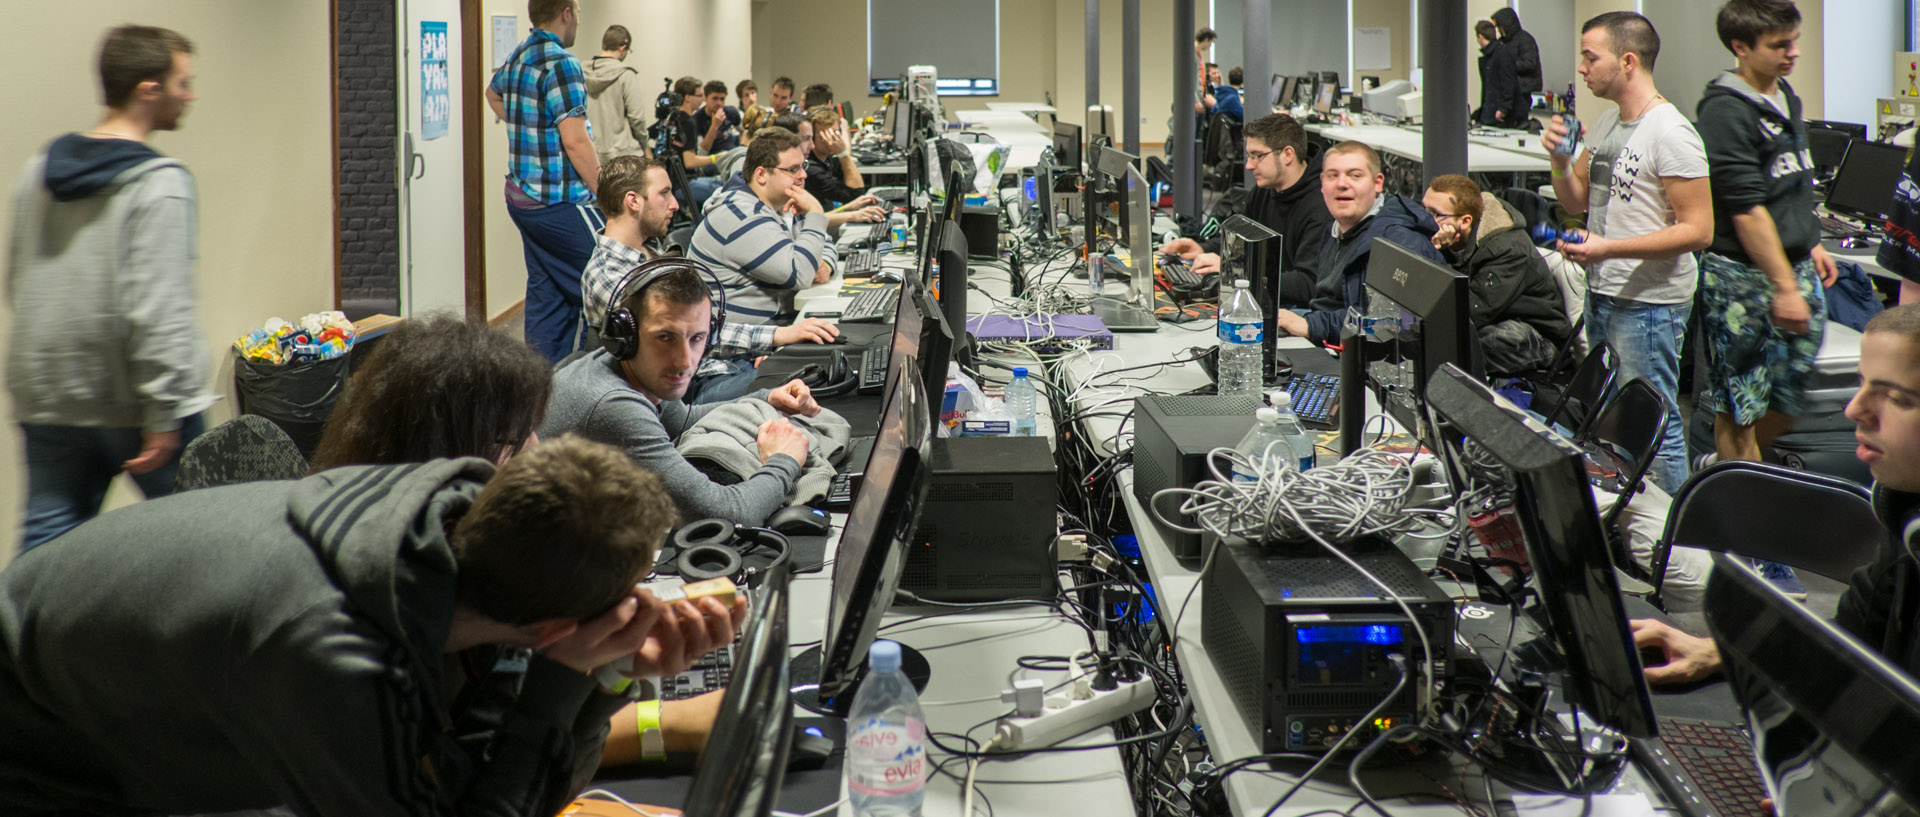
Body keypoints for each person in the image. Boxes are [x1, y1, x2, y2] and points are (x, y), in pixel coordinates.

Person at [0, 433, 726, 816]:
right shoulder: (330, 653)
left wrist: (607, 671)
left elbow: (463, 766)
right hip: (35, 757)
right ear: (548, 628)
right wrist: (564, 682)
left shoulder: (437, 516)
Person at [307, 314, 744, 770]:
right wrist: (654, 718)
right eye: (513, 442)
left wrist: (605, 669)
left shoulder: (442, 567)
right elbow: (472, 778)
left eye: (533, 430)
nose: (537, 452)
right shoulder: (378, 633)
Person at [1633, 303, 1920, 686]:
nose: (1855, 409)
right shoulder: (1903, 516)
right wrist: (1723, 652)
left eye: (1897, 398)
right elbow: (1853, 643)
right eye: (1862, 383)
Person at [8, 25, 213, 554]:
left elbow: (17, 281)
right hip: (140, 405)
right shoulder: (159, 182)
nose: (190, 95)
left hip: (51, 399)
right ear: (149, 89)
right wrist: (164, 413)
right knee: (209, 543)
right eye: (182, 83)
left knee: (44, 557)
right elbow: (158, 307)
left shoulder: (37, 172)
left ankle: (25, 640)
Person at [1695, 0, 1836, 597]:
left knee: (1792, 389)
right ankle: (1752, 546)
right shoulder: (1725, 111)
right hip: (1743, 280)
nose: (1793, 52)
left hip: (1796, 263)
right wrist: (1782, 283)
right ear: (1742, 48)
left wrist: (1813, 242)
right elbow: (1746, 207)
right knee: (1742, 406)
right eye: (1780, 44)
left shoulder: (1786, 99)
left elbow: (1791, 184)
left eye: (1794, 41)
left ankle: (1728, 471)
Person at [1541, 11, 1712, 495]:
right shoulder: (1607, 123)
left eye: (1590, 57)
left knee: (1654, 426)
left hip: (1649, 303)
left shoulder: (1672, 133)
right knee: (1615, 422)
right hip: (1606, 291)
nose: (1582, 67)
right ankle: (1637, 527)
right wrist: (1558, 158)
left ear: (1628, 60)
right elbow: (1574, 199)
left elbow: (1699, 230)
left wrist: (1607, 248)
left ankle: (1678, 543)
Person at [542, 259, 822, 525]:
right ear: (626, 336)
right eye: (665, 337)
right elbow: (731, 513)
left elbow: (682, 420)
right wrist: (783, 460)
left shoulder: (635, 370)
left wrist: (767, 398)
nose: (684, 362)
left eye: (697, 338)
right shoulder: (615, 405)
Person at [583, 155, 839, 404]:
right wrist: (775, 336)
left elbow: (703, 325)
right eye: (664, 193)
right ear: (633, 201)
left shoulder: (652, 251)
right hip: (693, 387)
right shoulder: (608, 274)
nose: (674, 204)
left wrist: (757, 350)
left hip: (722, 366)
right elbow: (689, 337)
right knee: (813, 386)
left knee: (821, 366)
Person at [487, 0, 603, 364]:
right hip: (559, 201)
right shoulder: (562, 63)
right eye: (579, 16)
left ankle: (538, 390)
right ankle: (587, 387)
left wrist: (527, 124)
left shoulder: (521, 54)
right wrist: (607, 192)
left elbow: (493, 93)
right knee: (606, 283)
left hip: (522, 197)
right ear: (566, 12)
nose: (578, 24)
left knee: (547, 291)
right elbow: (575, 139)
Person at [1272, 141, 1446, 346]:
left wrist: (1311, 326)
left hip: (1363, 356)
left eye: (1355, 175)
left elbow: (1390, 325)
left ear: (1378, 183)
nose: (1342, 184)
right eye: (1332, 175)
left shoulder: (1400, 241)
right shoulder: (1335, 228)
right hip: (1329, 335)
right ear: (1322, 183)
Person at [1160, 113, 1330, 307]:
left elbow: (1307, 285)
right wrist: (1202, 248)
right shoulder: (1265, 191)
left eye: (1257, 156)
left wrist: (1235, 272)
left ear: (1287, 155)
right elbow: (1239, 241)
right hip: (1261, 297)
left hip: (1292, 312)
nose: (1249, 166)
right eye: (1249, 156)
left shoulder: (1320, 206)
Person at [1423, 174, 1572, 375]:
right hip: (1495, 318)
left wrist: (1434, 253)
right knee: (1440, 337)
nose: (1425, 219)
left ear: (1466, 221)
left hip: (1536, 335)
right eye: (1423, 208)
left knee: (1455, 345)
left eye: (1434, 214)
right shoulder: (1451, 237)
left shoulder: (1506, 249)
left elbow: (1471, 310)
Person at [689, 127, 834, 323]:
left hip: (774, 325)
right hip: (746, 344)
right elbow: (801, 274)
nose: (803, 175)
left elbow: (821, 246)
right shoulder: (742, 215)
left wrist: (826, 264)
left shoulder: (770, 204)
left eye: (803, 166)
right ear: (761, 175)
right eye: (793, 169)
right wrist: (816, 215)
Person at [585, 24, 650, 164]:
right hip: (624, 156)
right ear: (623, 48)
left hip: (591, 155)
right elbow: (637, 117)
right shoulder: (626, 75)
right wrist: (646, 146)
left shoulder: (581, 73)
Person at [661, 76, 722, 204]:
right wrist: (716, 158)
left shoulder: (672, 117)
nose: (702, 100)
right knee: (725, 190)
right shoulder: (688, 121)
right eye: (700, 96)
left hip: (670, 182)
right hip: (682, 184)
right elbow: (690, 161)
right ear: (688, 97)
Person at [804, 106, 867, 206]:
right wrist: (843, 153)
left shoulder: (829, 159)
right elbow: (856, 195)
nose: (832, 140)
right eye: (825, 135)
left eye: (836, 134)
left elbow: (857, 187)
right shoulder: (810, 169)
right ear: (811, 136)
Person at [1475, 19, 1527, 128]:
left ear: (1479, 37)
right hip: (1490, 112)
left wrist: (1503, 108)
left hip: (1499, 115)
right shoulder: (1493, 55)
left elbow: (1508, 83)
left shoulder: (1501, 54)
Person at [1492, 7, 1543, 98]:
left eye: (1500, 27)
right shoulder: (1501, 42)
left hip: (1522, 92)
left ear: (1506, 25)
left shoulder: (1525, 39)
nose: (1499, 30)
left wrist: (1508, 65)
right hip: (1508, 90)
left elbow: (1530, 63)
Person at [692, 79, 742, 157]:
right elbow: (701, 153)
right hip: (712, 160)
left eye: (722, 99)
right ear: (705, 98)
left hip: (732, 155)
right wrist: (714, 126)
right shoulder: (696, 120)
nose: (719, 103)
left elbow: (744, 132)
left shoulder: (731, 112)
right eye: (715, 98)